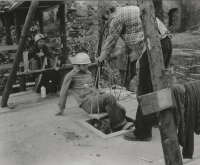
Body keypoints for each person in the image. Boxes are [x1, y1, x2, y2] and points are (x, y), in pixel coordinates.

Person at [98, 2, 172, 141]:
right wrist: (112, 56)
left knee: (144, 90)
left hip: (153, 46)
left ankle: (143, 132)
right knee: (155, 87)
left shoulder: (117, 17)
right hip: (165, 43)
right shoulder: (127, 13)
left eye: (105, 18)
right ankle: (155, 120)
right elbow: (127, 47)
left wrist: (100, 59)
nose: (108, 22)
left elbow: (110, 42)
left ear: (108, 12)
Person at [55, 52, 134, 132]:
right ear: (77, 65)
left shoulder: (87, 72)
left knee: (122, 109)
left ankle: (116, 124)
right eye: (83, 65)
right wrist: (61, 108)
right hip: (87, 103)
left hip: (95, 99)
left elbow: (91, 87)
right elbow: (63, 92)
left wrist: (100, 92)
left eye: (87, 65)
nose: (86, 67)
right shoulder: (70, 75)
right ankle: (119, 126)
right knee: (108, 97)